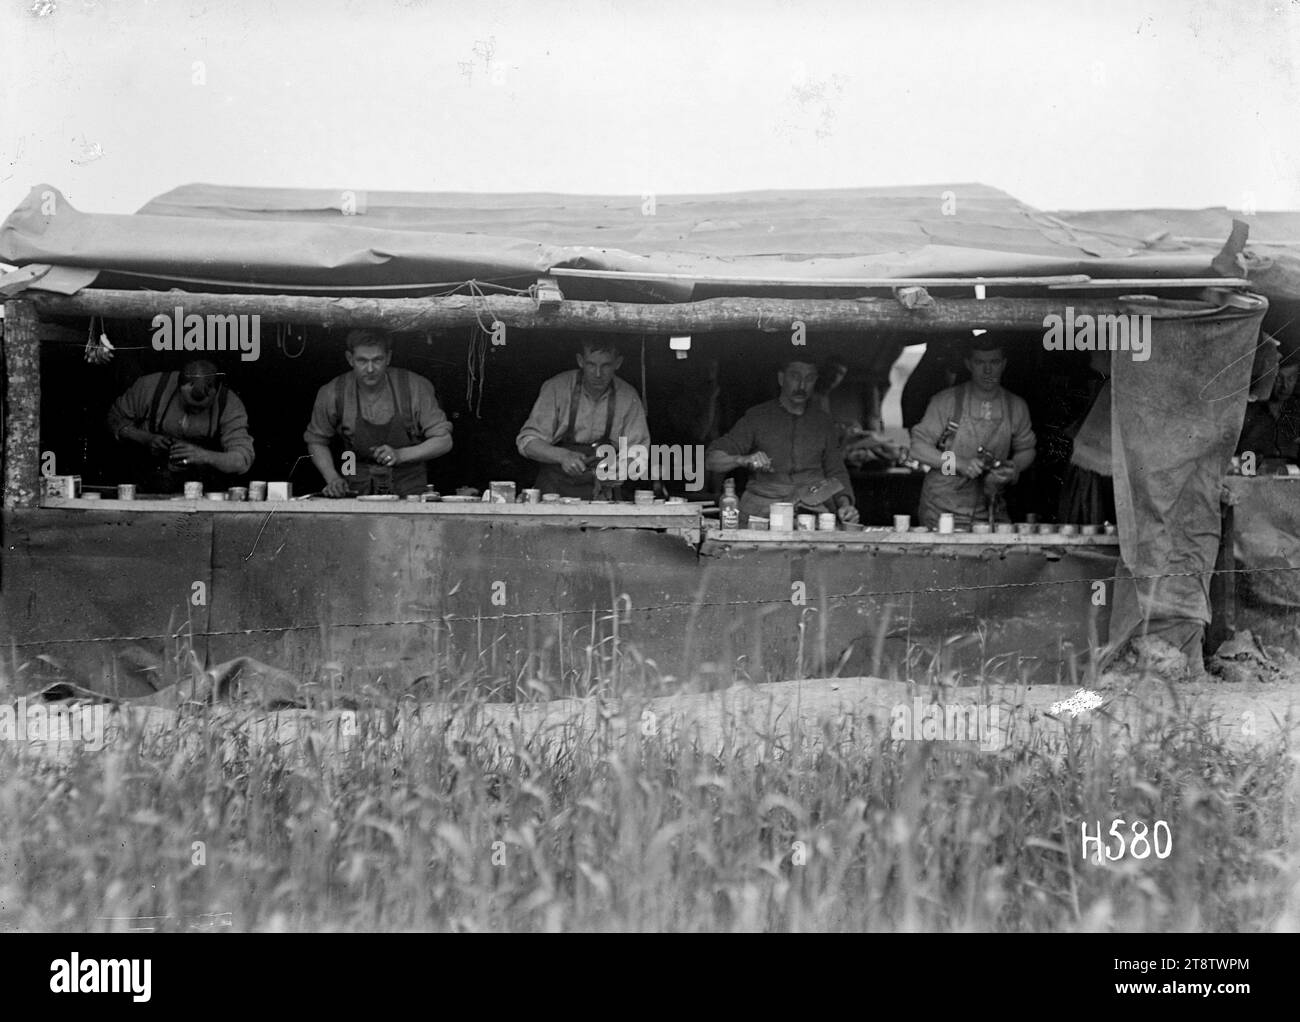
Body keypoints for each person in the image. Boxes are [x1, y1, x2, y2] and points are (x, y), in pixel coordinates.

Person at [705, 356, 860, 525]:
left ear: (815, 381)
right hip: (763, 507)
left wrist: (846, 505)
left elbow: (836, 472)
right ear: (781, 378)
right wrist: (742, 459)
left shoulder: (823, 423)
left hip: (812, 508)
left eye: (809, 379)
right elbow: (711, 460)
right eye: (795, 377)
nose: (801, 386)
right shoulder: (757, 417)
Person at [304, 329, 452, 497]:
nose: (370, 369)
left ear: (388, 358)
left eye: (377, 360)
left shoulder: (415, 386)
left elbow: (444, 440)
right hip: (354, 478)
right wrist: (332, 478)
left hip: (409, 483)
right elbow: (316, 441)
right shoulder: (333, 392)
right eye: (362, 360)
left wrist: (400, 455)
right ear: (350, 359)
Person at [909, 337, 1036, 529]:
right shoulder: (946, 401)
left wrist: (1013, 468)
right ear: (969, 364)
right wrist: (958, 464)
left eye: (994, 362)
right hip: (943, 510)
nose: (987, 370)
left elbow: (1027, 449)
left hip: (991, 508)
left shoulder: (1016, 406)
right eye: (980, 362)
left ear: (1004, 364)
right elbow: (918, 449)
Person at [516, 337, 650, 499]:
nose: (598, 374)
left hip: (602, 489)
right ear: (580, 361)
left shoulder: (628, 397)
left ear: (618, 363)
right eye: (591, 365)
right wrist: (562, 456)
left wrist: (621, 468)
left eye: (606, 365)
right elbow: (527, 442)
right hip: (555, 488)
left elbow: (639, 449)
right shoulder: (557, 388)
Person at [107, 358, 254, 493]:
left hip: (201, 489)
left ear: (215, 392)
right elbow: (115, 418)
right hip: (146, 483)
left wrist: (203, 456)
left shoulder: (229, 404)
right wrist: (147, 439)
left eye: (201, 408)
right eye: (189, 405)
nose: (194, 410)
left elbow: (242, 460)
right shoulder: (150, 387)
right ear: (178, 387)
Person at [1237, 337, 1300, 468]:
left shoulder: (1295, 414)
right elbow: (1245, 466)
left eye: (1291, 378)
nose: (1284, 386)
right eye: (1278, 379)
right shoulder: (1249, 415)